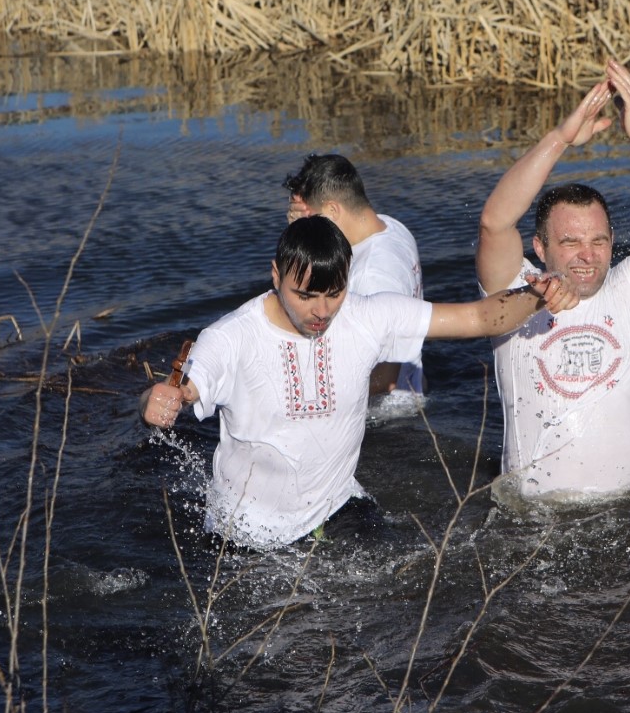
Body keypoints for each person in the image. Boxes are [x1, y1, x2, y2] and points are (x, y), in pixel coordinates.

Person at [140, 216, 577, 548]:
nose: (321, 311)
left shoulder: (367, 316)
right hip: (249, 535)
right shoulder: (232, 337)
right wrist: (163, 396)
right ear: (276, 276)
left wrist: (539, 296)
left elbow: (479, 317)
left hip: (338, 508)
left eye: (334, 294)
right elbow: (183, 388)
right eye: (305, 296)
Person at [474, 59, 630, 498]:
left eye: (598, 240)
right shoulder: (516, 291)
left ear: (613, 240)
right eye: (570, 242)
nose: (588, 255)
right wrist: (561, 139)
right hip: (532, 519)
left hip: (627, 513)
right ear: (540, 248)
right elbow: (495, 224)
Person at [284, 152, 426, 413]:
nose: (307, 227)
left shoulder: (372, 276)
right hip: (411, 393)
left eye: (311, 219)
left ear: (333, 210)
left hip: (386, 419)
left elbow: (386, 375)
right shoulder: (392, 228)